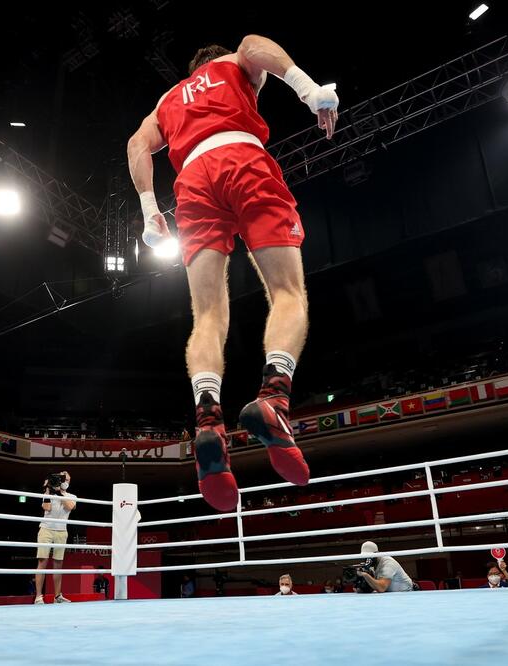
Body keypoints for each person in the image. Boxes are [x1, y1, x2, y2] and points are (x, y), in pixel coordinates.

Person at [127, 35, 339, 511]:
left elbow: (137, 144)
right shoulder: (234, 63)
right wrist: (309, 90)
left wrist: (148, 211)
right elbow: (254, 44)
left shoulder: (166, 101)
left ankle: (207, 420)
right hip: (241, 159)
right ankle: (274, 398)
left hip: (192, 182)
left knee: (206, 315)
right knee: (288, 294)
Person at [34, 471, 76, 604]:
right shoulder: (48, 494)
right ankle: (39, 596)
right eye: (62, 478)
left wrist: (59, 493)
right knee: (42, 562)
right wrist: (48, 490)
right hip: (46, 529)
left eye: (67, 479)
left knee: (58, 564)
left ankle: (57, 596)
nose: (65, 481)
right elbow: (46, 507)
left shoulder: (71, 496)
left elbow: (70, 506)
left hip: (61, 531)